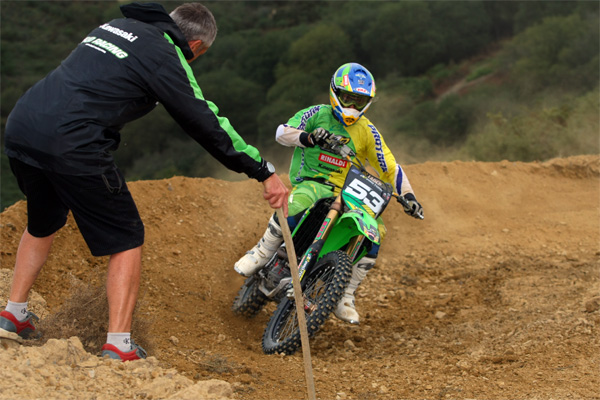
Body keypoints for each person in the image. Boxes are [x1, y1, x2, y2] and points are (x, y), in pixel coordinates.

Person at [0, 2, 288, 361]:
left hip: (24, 127)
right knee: (127, 237)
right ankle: (119, 344)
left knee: (44, 221)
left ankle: (13, 313)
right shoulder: (166, 55)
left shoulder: (118, 25)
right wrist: (262, 169)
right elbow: (205, 121)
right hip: (74, 142)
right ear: (196, 46)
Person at [234, 62, 422, 325]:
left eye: (359, 101)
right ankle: (262, 252)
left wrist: (409, 196)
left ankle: (345, 293)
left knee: (376, 232)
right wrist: (309, 137)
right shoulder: (318, 113)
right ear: (335, 92)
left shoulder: (368, 131)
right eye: (348, 98)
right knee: (298, 203)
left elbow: (389, 166)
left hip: (348, 192)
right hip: (313, 180)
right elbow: (282, 133)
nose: (352, 106)